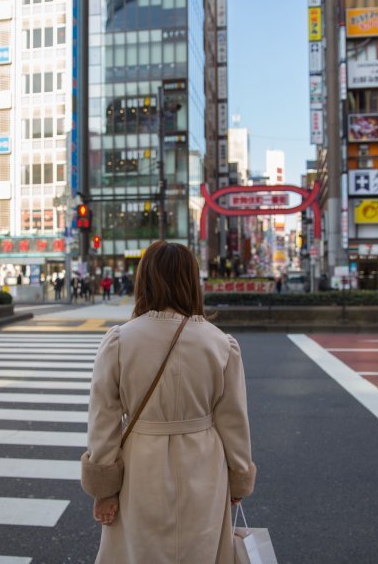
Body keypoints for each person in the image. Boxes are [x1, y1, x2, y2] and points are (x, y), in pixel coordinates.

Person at [81, 241, 256, 563]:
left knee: (141, 549)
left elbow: (103, 418)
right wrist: (239, 477)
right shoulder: (220, 343)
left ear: (144, 280)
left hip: (141, 461)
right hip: (204, 462)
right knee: (199, 550)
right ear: (192, 281)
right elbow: (234, 420)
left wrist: (104, 489)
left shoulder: (121, 340)